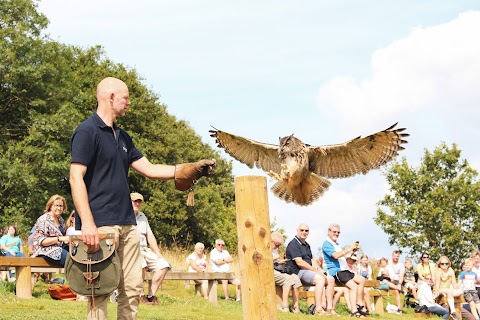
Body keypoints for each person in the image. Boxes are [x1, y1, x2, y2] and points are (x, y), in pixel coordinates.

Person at [69, 77, 215, 320]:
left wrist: (187, 169)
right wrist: (87, 223)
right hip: (100, 224)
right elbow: (76, 178)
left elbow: (149, 169)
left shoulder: (123, 137)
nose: (129, 102)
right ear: (111, 97)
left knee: (133, 288)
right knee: (100, 289)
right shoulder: (87, 131)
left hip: (128, 223)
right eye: (125, 97)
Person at [132, 192, 171, 305]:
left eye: (139, 201)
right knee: (142, 265)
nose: (137, 203)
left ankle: (151, 296)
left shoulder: (143, 216)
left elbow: (150, 236)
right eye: (135, 201)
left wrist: (158, 252)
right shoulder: (124, 215)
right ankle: (140, 295)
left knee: (164, 265)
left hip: (145, 249)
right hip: (132, 249)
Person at [322, 223, 368, 318]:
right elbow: (335, 256)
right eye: (334, 232)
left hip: (345, 270)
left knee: (362, 280)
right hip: (337, 271)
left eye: (338, 232)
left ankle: (359, 304)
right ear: (329, 232)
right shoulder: (327, 244)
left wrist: (353, 251)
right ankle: (354, 311)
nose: (336, 234)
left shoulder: (336, 244)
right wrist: (349, 249)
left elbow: (343, 257)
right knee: (353, 287)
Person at [286, 223, 329, 316]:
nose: (304, 232)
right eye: (302, 230)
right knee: (320, 279)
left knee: (327, 278)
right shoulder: (293, 244)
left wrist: (320, 270)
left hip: (306, 270)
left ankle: (327, 308)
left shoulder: (306, 245)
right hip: (296, 271)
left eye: (306, 230)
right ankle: (318, 309)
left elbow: (311, 260)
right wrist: (315, 270)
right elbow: (300, 263)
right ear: (297, 230)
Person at [32, 195, 70, 267]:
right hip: (44, 250)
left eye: (61, 206)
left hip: (60, 248)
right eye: (56, 205)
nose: (59, 208)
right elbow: (41, 241)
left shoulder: (61, 220)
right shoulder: (44, 220)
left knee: (77, 255)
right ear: (50, 206)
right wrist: (59, 239)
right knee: (69, 260)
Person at [271, 231, 301, 313]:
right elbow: (263, 261)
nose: (278, 246)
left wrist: (280, 261)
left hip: (277, 269)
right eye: (277, 244)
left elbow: (275, 262)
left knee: (295, 278)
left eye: (279, 245)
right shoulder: (265, 248)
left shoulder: (275, 250)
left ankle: (295, 306)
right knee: (287, 279)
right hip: (269, 271)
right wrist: (274, 258)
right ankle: (284, 305)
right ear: (271, 241)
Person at [433, 256, 462, 320]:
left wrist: (459, 284)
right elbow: (437, 284)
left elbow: (454, 284)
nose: (444, 265)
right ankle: (453, 311)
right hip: (440, 289)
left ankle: (454, 310)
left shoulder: (451, 271)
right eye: (442, 263)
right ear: (439, 264)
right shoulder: (438, 271)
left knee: (461, 291)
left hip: (449, 290)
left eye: (446, 263)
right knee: (449, 291)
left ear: (449, 264)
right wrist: (435, 293)